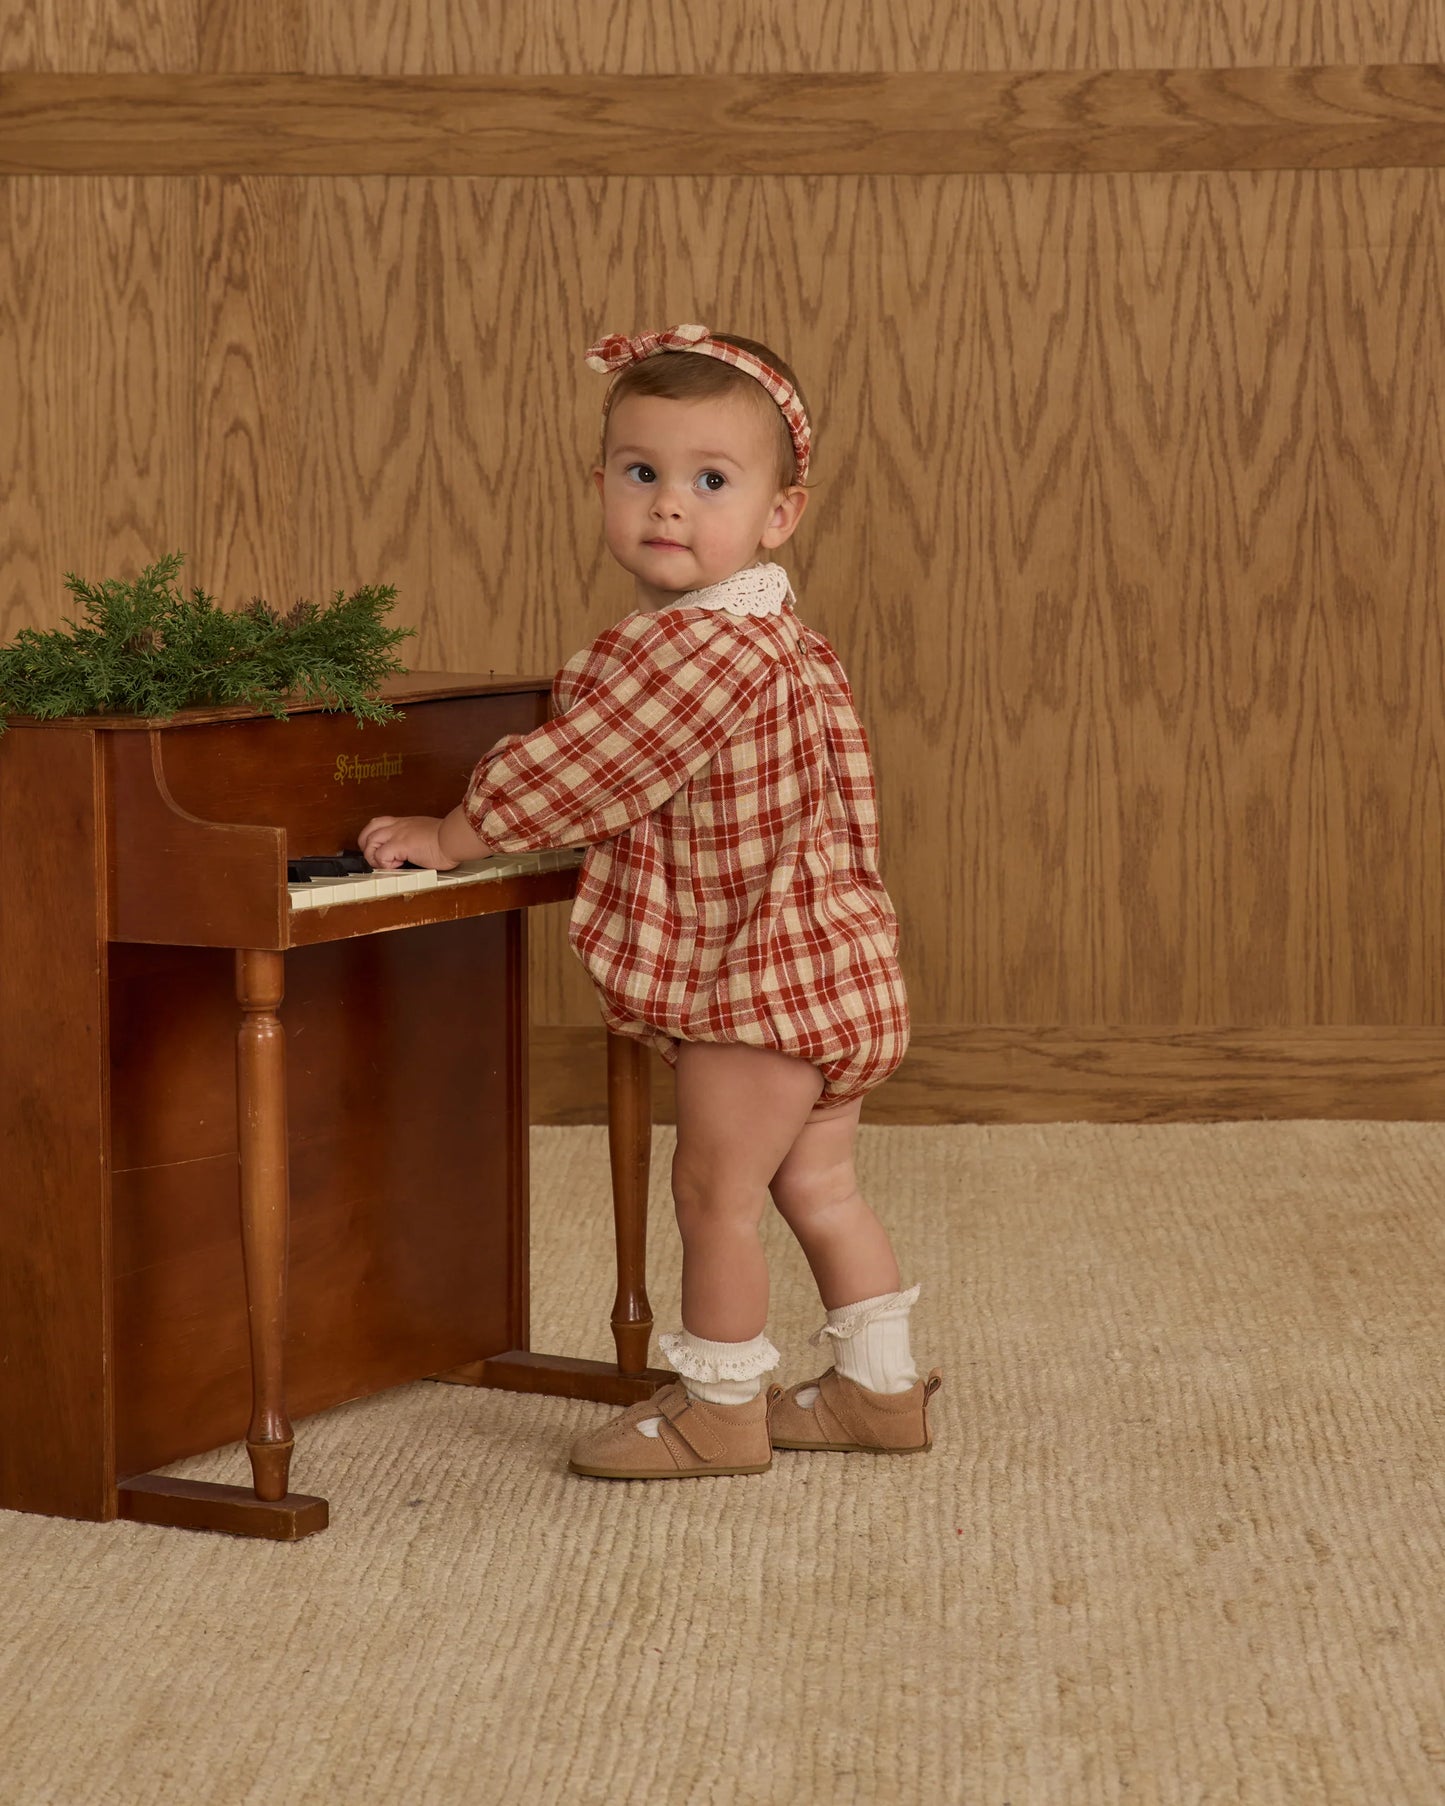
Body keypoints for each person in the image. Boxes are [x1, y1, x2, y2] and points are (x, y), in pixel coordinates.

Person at [359, 322, 941, 1480]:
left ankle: (719, 1407)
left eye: (709, 482)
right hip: (835, 971)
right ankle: (880, 1392)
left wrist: (451, 831)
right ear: (602, 484)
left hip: (757, 988)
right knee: (818, 1185)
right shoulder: (775, 638)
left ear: (779, 513)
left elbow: (582, 772)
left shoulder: (697, 655)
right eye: (641, 474)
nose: (668, 506)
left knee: (711, 1189)